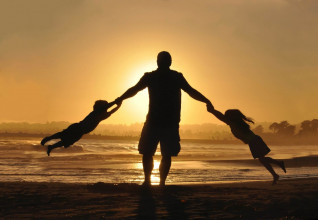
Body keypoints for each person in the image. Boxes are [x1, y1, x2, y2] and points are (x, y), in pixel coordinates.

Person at [114, 51, 212, 186]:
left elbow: (134, 89)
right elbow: (191, 91)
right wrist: (206, 101)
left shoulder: (157, 77)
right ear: (169, 62)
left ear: (158, 62)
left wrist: (120, 99)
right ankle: (159, 183)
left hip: (159, 122)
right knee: (161, 154)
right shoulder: (170, 77)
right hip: (165, 122)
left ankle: (150, 181)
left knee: (150, 153)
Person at [207, 107, 286, 185]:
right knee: (262, 159)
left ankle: (277, 169)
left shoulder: (234, 123)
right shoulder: (238, 123)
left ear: (231, 117)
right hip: (254, 141)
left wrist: (212, 111)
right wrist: (212, 110)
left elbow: (220, 116)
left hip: (254, 141)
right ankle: (276, 171)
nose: (225, 117)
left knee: (262, 159)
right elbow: (221, 117)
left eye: (227, 115)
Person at [41, 100, 121, 156]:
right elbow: (107, 106)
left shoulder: (102, 116)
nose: (106, 109)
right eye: (105, 107)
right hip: (78, 127)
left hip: (81, 132)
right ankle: (48, 138)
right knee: (63, 135)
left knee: (67, 142)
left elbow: (112, 111)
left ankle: (51, 147)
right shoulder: (95, 113)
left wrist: (118, 105)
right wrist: (115, 102)